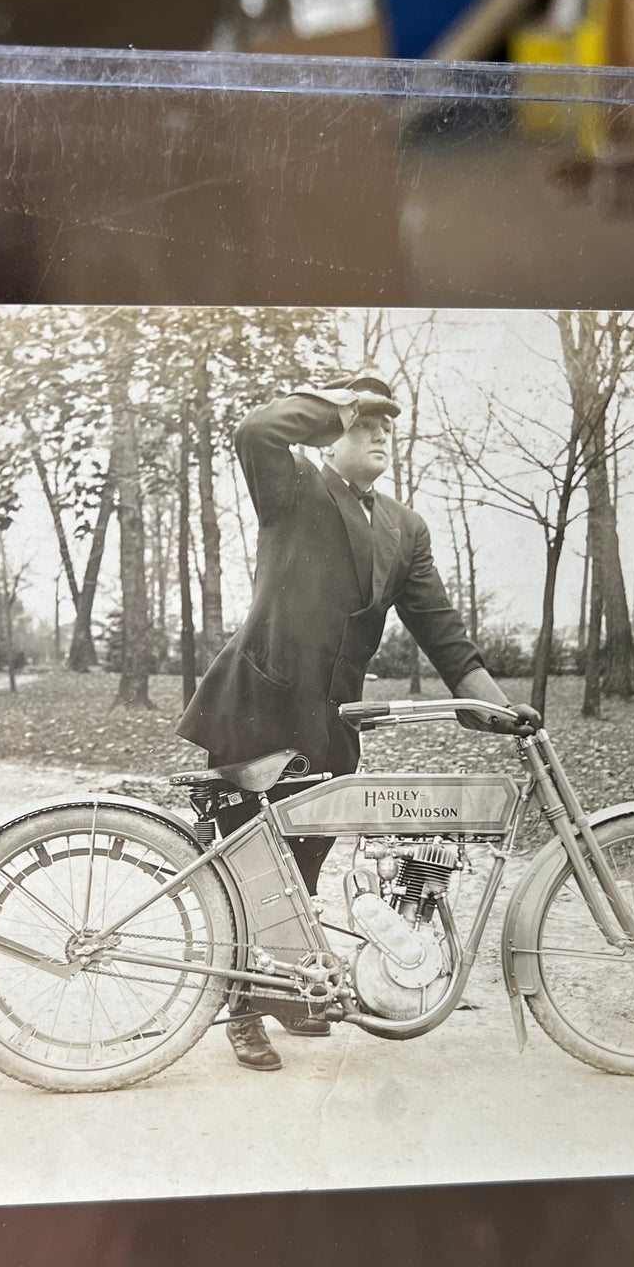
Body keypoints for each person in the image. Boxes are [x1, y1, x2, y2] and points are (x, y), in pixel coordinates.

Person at [178, 372, 512, 1071]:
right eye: (364, 424)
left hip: (331, 726)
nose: (378, 434)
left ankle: (285, 988)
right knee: (250, 873)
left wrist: (487, 699)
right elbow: (254, 431)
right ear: (332, 436)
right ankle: (242, 1009)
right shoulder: (293, 487)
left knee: (302, 868)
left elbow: (441, 628)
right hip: (253, 710)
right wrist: (335, 405)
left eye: (386, 424)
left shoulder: (403, 527)